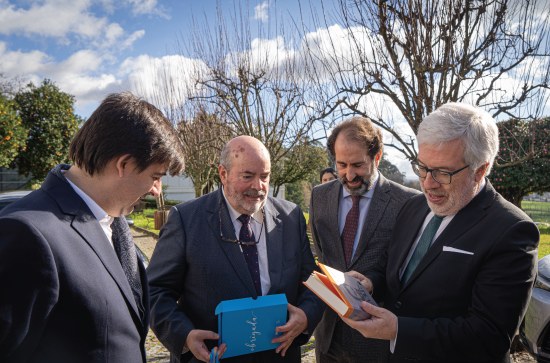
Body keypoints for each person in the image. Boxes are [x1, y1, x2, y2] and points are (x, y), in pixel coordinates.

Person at [344, 103, 540, 363]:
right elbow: (397, 270)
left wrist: (399, 330)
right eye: (423, 167)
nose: (427, 183)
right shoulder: (414, 205)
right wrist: (372, 282)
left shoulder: (512, 231)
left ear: (480, 169)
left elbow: (489, 336)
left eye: (443, 173)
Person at [0, 92, 185, 363]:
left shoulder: (114, 223)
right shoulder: (26, 234)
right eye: (155, 176)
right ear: (123, 164)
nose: (157, 190)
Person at [147, 135, 324, 363]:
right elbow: (156, 291)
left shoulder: (291, 217)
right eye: (247, 176)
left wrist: (307, 316)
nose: (258, 186)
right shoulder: (186, 220)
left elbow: (311, 280)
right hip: (212, 357)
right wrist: (184, 335)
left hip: (279, 355)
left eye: (265, 177)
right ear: (223, 174)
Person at [309, 116, 419, 363]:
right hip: (329, 337)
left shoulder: (407, 202)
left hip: (378, 342)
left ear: (376, 157)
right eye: (341, 164)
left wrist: (373, 283)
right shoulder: (320, 196)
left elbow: (409, 271)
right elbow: (321, 256)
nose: (349, 175)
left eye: (358, 165)